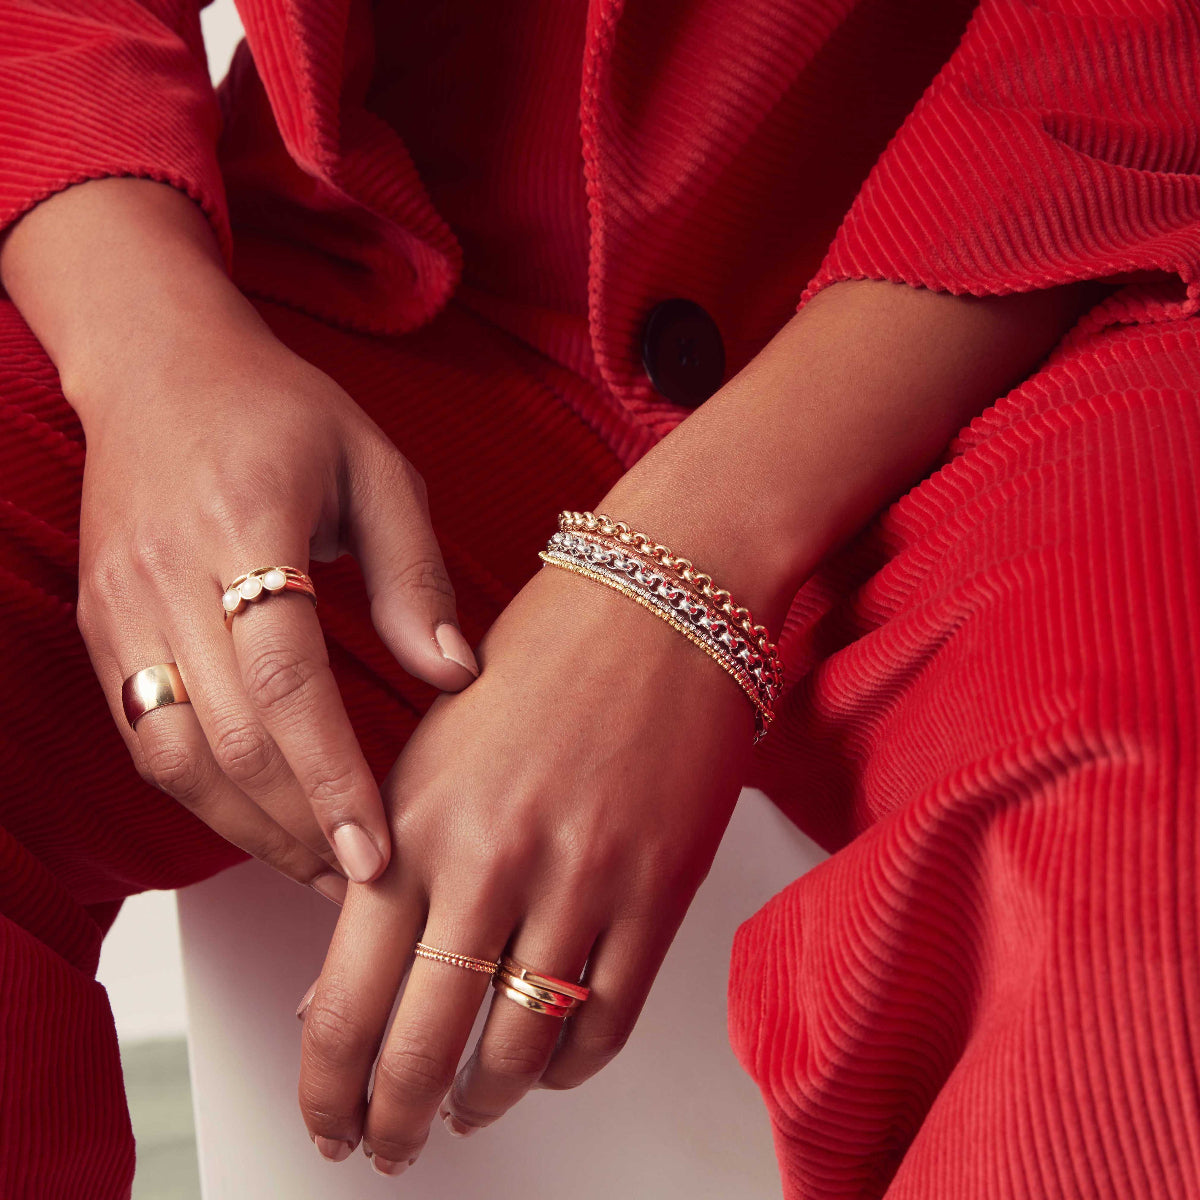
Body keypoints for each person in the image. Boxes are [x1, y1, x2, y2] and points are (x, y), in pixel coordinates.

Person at [1, 0, 1197, 1194]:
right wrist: (148, 345)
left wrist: (681, 566)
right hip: (375, 290)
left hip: (1050, 314)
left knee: (1142, 888)